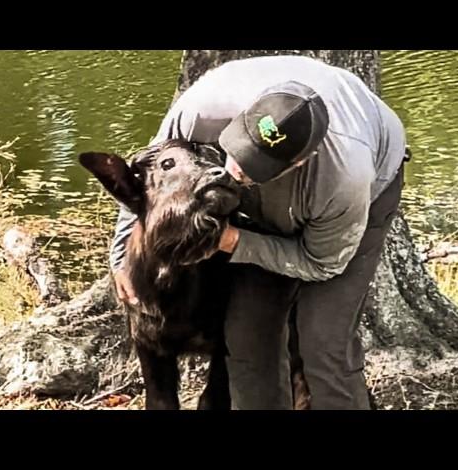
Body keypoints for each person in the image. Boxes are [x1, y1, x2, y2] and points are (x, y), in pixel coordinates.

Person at [109, 55, 407, 410]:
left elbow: (321, 264)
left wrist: (235, 242)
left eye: (253, 167)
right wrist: (121, 255)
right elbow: (146, 180)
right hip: (267, 208)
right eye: (236, 148)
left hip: (345, 217)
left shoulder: (344, 180)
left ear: (299, 162)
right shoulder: (203, 108)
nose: (231, 170)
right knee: (249, 340)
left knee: (322, 343)